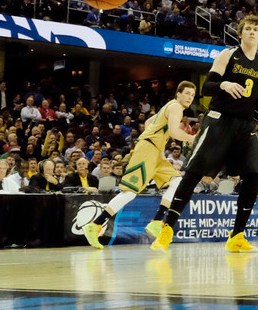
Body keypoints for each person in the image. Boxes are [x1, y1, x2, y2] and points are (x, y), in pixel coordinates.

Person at [151, 17, 258, 253]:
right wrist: (224, 84)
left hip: (245, 125)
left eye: (255, 29)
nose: (252, 32)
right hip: (219, 120)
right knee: (193, 174)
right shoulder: (228, 55)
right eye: (248, 29)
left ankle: (237, 235)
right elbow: (207, 86)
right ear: (241, 34)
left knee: (253, 175)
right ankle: (166, 230)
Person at [83, 81, 199, 250]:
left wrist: (153, 141)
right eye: (187, 93)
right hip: (148, 149)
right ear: (178, 94)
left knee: (176, 182)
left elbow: (151, 120)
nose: (190, 97)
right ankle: (95, 225)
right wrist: (193, 138)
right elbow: (174, 132)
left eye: (193, 95)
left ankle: (157, 221)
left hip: (155, 151)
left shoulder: (168, 107)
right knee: (130, 193)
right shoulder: (176, 107)